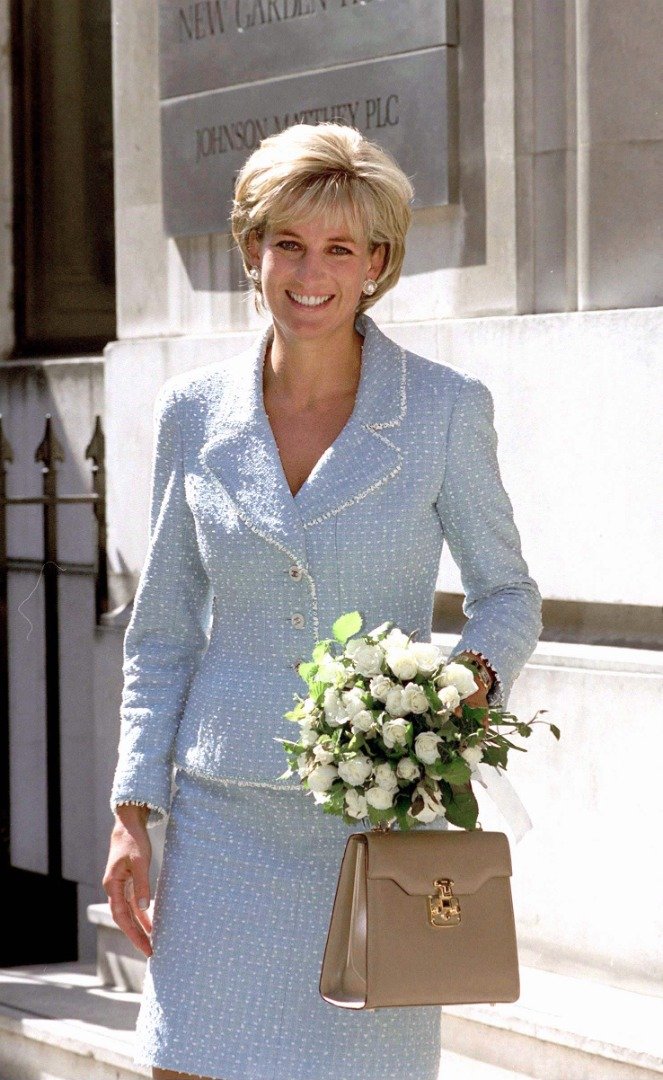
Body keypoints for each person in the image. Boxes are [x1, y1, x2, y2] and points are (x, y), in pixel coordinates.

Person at [103, 122, 542, 1080]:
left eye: (340, 248)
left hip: (375, 831)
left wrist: (448, 699)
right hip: (222, 820)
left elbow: (507, 597)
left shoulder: (441, 410)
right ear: (251, 251)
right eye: (287, 243)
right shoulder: (192, 413)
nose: (311, 272)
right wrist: (132, 808)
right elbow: (165, 628)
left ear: (376, 263)